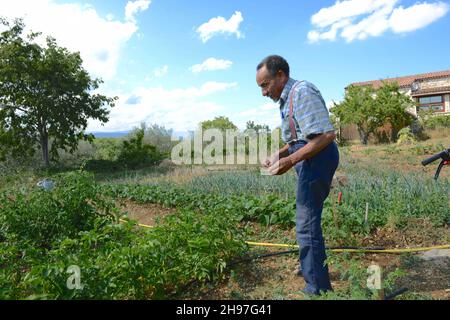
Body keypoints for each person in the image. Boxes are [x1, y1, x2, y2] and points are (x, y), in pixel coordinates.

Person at [256, 55, 339, 296]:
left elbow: (325, 136)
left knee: (306, 224)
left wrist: (290, 160)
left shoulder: (302, 91)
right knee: (307, 220)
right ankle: (312, 270)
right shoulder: (287, 99)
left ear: (280, 75)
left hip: (317, 158)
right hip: (308, 158)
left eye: (265, 84)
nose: (263, 92)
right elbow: (298, 139)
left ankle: (317, 289)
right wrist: (278, 153)